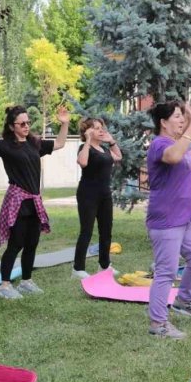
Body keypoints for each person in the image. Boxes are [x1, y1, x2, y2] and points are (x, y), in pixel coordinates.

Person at [0, 101, 70, 299]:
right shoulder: (7, 146)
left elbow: (60, 143)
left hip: (34, 201)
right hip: (18, 201)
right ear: (12, 127)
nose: (27, 126)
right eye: (22, 124)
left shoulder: (34, 143)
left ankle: (26, 281)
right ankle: (4, 286)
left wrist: (64, 124)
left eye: (28, 122)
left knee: (32, 242)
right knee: (16, 243)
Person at [145, 93, 191, 340]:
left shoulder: (180, 144)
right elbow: (174, 157)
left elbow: (184, 157)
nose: (182, 121)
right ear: (163, 122)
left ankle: (184, 300)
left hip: (186, 219)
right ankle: (158, 323)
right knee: (166, 271)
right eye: (176, 118)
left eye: (183, 118)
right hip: (166, 220)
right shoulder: (160, 145)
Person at [72, 117, 122, 279]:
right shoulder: (84, 147)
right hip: (88, 194)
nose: (102, 131)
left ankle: (104, 265)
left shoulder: (104, 149)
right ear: (88, 131)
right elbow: (83, 162)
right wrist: (87, 141)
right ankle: (78, 269)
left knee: (106, 230)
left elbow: (118, 157)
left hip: (104, 194)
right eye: (97, 128)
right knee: (86, 231)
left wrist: (112, 141)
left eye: (102, 128)